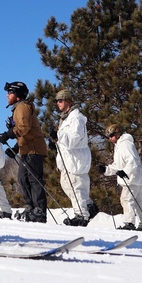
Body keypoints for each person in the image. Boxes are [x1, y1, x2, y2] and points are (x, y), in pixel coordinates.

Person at [0, 81, 48, 222]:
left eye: (10, 92)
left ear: (18, 95)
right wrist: (15, 148)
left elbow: (24, 127)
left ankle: (39, 211)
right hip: (26, 149)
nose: (7, 95)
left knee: (33, 180)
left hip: (34, 149)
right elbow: (25, 132)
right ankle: (31, 207)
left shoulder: (22, 107)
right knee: (22, 178)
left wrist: (7, 134)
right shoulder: (18, 108)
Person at [51, 90, 95, 226]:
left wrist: (59, 136)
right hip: (68, 160)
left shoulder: (76, 118)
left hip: (76, 159)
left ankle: (81, 215)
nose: (58, 103)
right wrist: (55, 142)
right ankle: (89, 206)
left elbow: (74, 139)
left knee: (76, 188)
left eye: (60, 100)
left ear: (68, 101)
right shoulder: (66, 118)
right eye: (57, 101)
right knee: (66, 185)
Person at [98, 124, 142, 232]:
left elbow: (133, 162)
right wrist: (106, 170)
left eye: (111, 135)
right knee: (138, 202)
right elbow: (118, 165)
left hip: (132, 178)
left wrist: (124, 172)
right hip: (134, 177)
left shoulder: (125, 145)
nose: (110, 138)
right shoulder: (120, 145)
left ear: (117, 134)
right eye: (108, 136)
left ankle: (129, 223)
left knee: (126, 199)